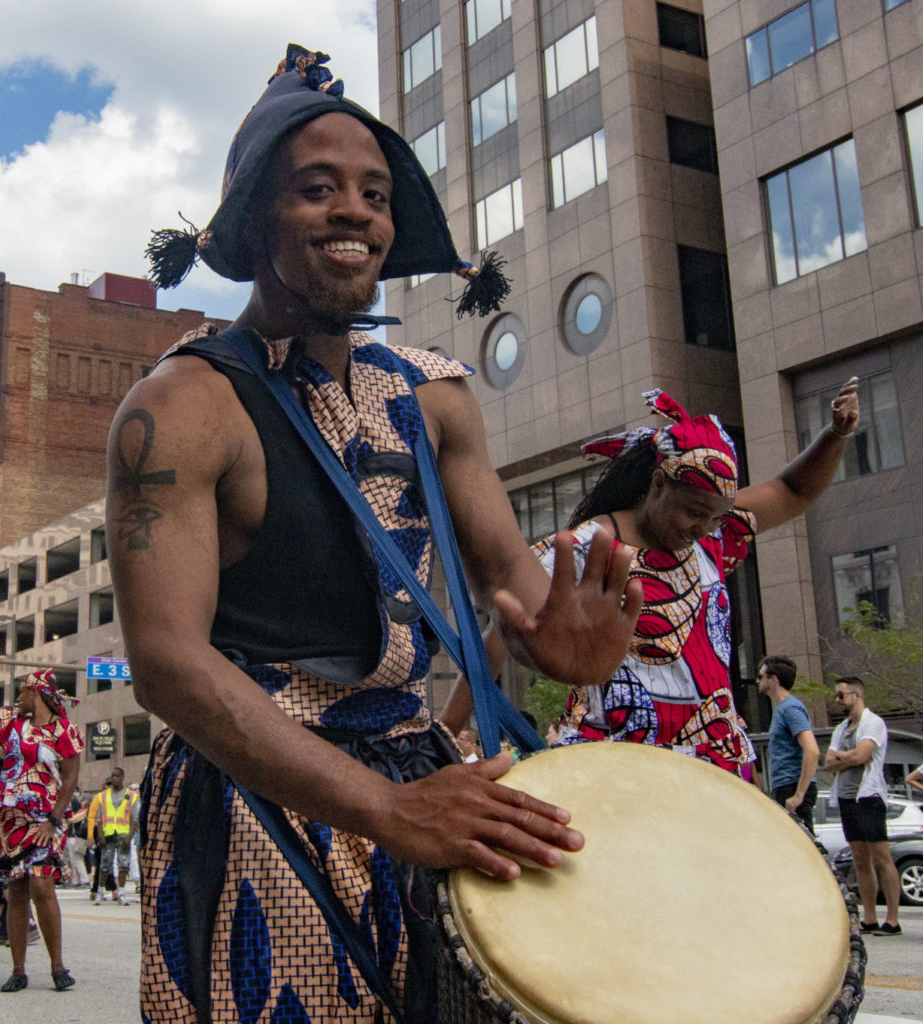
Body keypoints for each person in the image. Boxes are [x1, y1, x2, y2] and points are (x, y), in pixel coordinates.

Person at [115, 44, 640, 1024]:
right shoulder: (181, 404)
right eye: (315, 189)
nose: (352, 209)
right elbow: (168, 665)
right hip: (252, 803)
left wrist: (559, 642)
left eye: (372, 191)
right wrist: (386, 810)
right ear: (252, 220)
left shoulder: (436, 398)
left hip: (420, 786)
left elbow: (516, 585)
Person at [444, 382, 860, 773]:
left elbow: (793, 491)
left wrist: (835, 436)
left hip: (713, 763)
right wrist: (445, 736)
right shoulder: (587, 548)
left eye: (715, 516)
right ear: (658, 482)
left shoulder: (711, 535)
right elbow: (501, 633)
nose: (704, 527)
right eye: (694, 512)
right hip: (619, 764)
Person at [0, 644, 83, 991]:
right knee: (16, 891)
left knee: (42, 885)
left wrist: (54, 819)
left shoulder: (64, 731)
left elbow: (70, 778)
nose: (18, 698)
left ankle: (58, 966)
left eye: (22, 692)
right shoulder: (11, 724)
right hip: (11, 821)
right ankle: (18, 970)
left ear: (35, 693)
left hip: (46, 820)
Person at [824, 676, 901, 935]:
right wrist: (851, 757)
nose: (838, 700)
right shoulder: (841, 728)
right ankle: (869, 917)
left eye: (841, 695)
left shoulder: (873, 723)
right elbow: (830, 762)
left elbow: (861, 754)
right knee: (860, 858)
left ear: (856, 695)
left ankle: (892, 919)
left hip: (868, 797)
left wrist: (846, 757)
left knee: (881, 856)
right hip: (846, 797)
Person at [757, 655, 819, 831]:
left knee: (802, 849)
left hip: (792, 786)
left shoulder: (790, 708)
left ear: (774, 679)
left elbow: (812, 750)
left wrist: (798, 795)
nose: (757, 680)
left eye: (761, 676)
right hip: (784, 785)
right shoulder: (782, 708)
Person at [93, 766, 131, 906]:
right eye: (112, 776)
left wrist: (129, 836)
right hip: (108, 835)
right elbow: (99, 817)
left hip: (123, 835)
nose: (114, 778)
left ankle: (121, 893)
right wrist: (100, 835)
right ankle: (100, 892)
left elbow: (134, 817)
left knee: (123, 865)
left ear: (122, 777)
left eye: (116, 776)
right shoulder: (103, 796)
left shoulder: (130, 795)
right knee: (104, 865)